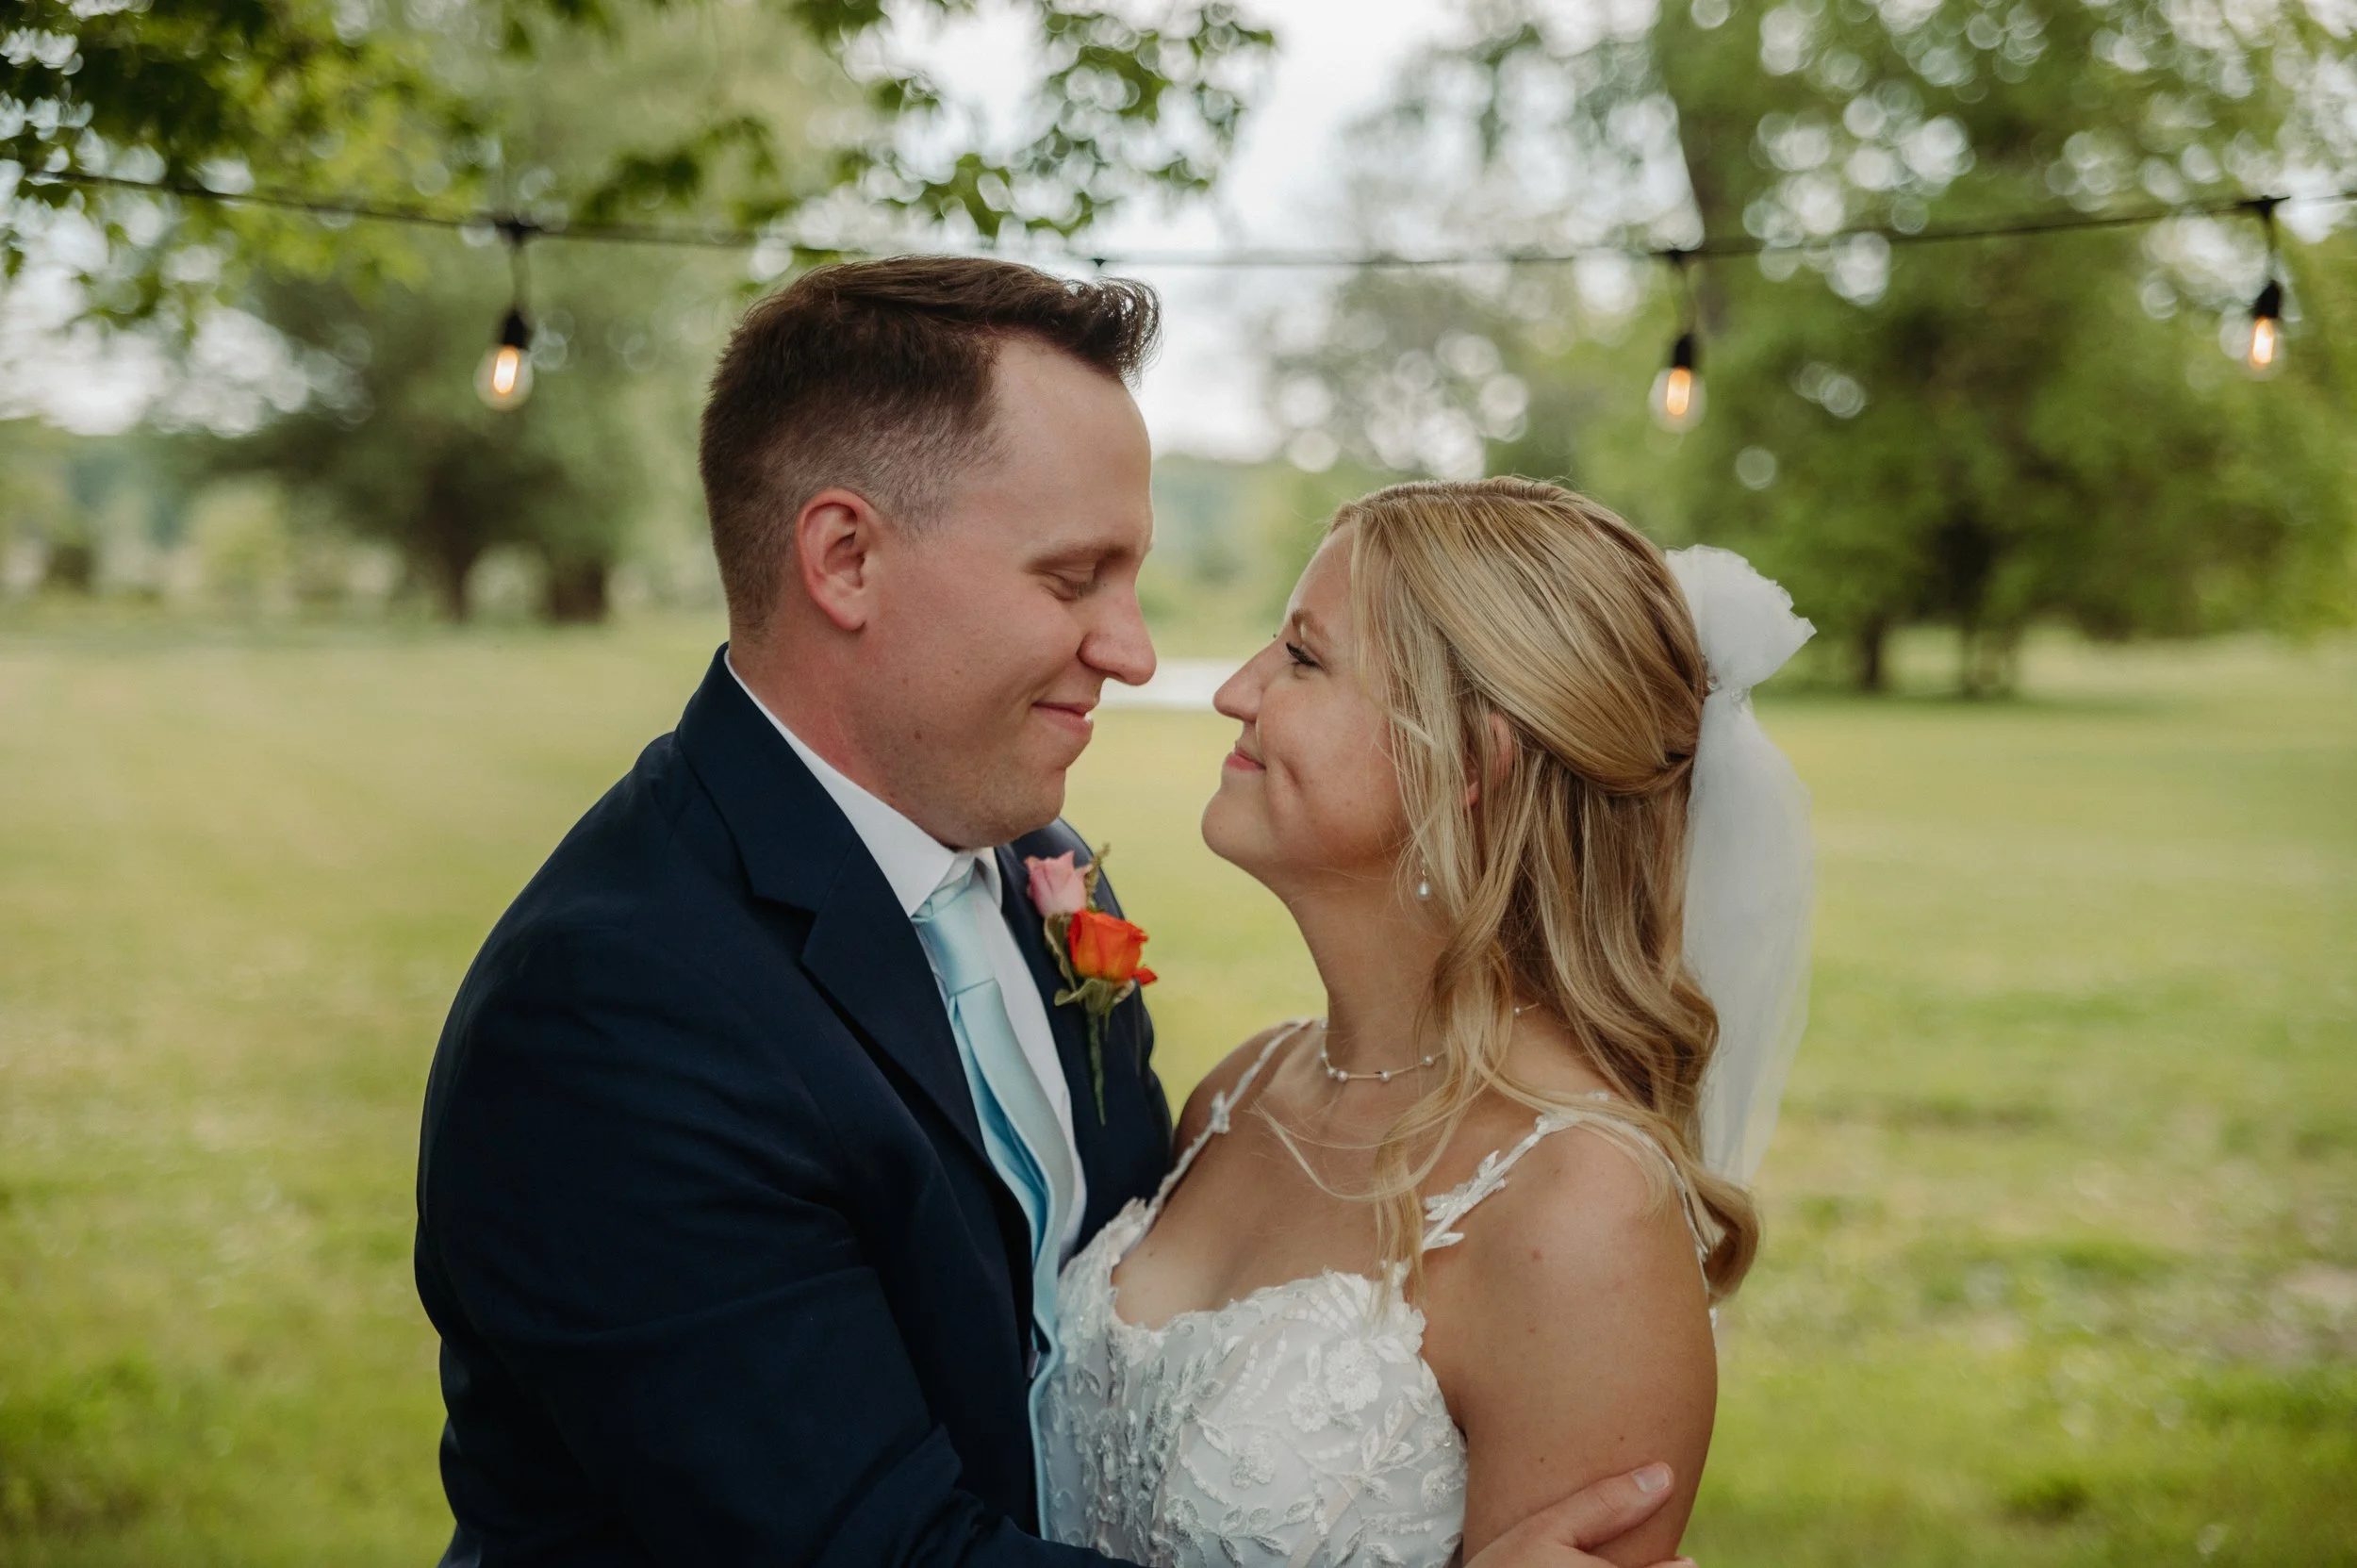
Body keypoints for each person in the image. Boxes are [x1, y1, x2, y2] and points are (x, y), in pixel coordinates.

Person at [412, 259, 1696, 1567]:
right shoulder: (616, 1009)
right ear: (846, 558)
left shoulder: (1043, 869)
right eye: (1075, 576)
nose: (1140, 654)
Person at [1038, 479, 1816, 1567]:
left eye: (1304, 659)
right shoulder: (1242, 1089)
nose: (1239, 691)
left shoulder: (1581, 1211)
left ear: (1467, 759)